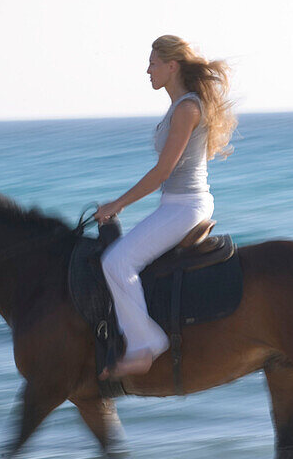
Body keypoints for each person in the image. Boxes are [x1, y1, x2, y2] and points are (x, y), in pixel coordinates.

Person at [94, 35, 237, 378]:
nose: (148, 70)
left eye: (153, 63)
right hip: (175, 204)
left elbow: (163, 172)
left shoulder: (187, 108)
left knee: (116, 261)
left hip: (185, 207)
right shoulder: (180, 106)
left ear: (172, 66)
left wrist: (118, 204)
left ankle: (146, 346)